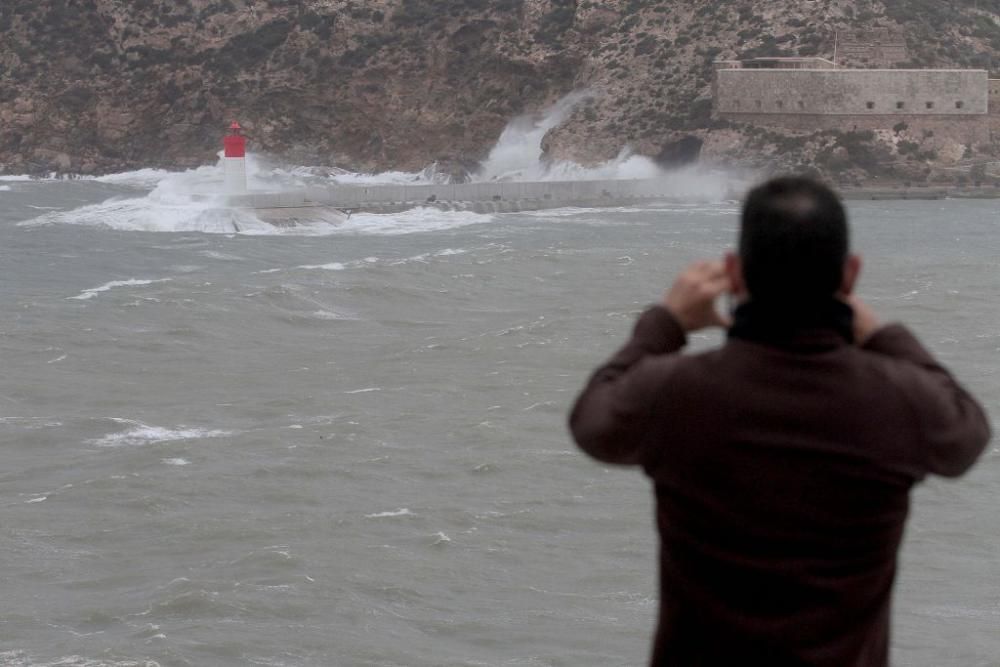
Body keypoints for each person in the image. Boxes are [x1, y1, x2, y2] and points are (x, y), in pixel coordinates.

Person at [568, 176, 990, 666]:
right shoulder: (898, 401)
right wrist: (882, 332)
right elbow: (968, 432)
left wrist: (664, 323)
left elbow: (591, 423)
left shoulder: (677, 393)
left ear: (735, 273)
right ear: (850, 276)